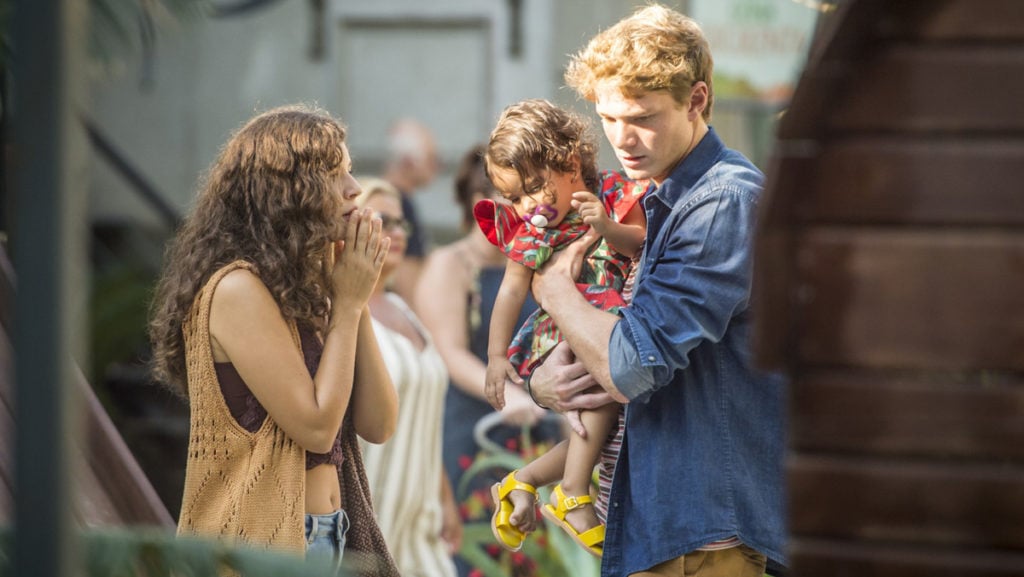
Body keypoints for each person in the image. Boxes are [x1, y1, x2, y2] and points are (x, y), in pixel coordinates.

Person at [525, 5, 787, 577]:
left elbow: (631, 366)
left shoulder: (722, 201)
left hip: (709, 534)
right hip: (669, 528)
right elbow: (610, 360)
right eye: (608, 118)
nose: (622, 139)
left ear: (696, 100)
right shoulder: (662, 201)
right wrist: (547, 384)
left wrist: (555, 291)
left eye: (642, 117)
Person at [148, 105, 400, 577]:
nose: (354, 189)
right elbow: (316, 427)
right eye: (333, 174)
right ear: (287, 193)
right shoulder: (236, 289)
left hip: (332, 534)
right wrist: (345, 306)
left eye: (349, 171)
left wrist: (355, 297)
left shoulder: (306, 290)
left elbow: (380, 424)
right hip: (266, 546)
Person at [474, 99, 648, 558]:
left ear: (570, 162)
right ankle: (572, 492)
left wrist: (606, 226)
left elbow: (639, 242)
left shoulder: (613, 194)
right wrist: (495, 357)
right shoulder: (534, 232)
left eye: (533, 188)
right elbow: (511, 291)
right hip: (558, 333)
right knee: (603, 407)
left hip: (599, 325)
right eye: (513, 197)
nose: (527, 206)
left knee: (600, 425)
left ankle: (523, 480)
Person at [417, 145, 562, 577]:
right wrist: (510, 398)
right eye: (504, 194)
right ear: (477, 200)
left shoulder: (537, 262)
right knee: (482, 552)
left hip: (539, 427)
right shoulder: (450, 264)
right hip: (476, 425)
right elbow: (450, 352)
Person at [354, 177, 460, 577]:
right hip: (369, 512)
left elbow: (426, 418)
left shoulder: (404, 307)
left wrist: (445, 495)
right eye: (382, 220)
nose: (396, 232)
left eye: (401, 223)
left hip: (421, 517)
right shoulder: (340, 313)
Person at [382, 118, 440, 304]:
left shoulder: (385, 198)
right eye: (432, 159)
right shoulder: (399, 205)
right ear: (408, 161)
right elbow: (407, 277)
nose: (437, 168)